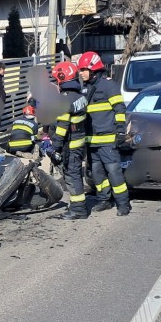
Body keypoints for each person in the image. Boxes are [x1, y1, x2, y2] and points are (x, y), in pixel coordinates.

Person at [78, 51, 131, 216]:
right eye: (80, 70)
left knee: (114, 172)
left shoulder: (109, 86)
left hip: (107, 139)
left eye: (84, 70)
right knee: (97, 173)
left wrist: (121, 132)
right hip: (91, 140)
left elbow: (120, 110)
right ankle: (104, 200)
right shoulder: (84, 88)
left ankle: (123, 204)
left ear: (93, 69)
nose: (81, 73)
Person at [47, 62, 90, 220]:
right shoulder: (81, 96)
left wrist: (55, 147)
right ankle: (77, 205)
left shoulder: (64, 99)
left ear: (61, 78)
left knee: (72, 175)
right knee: (76, 173)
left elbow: (62, 126)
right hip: (80, 141)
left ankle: (79, 209)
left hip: (70, 144)